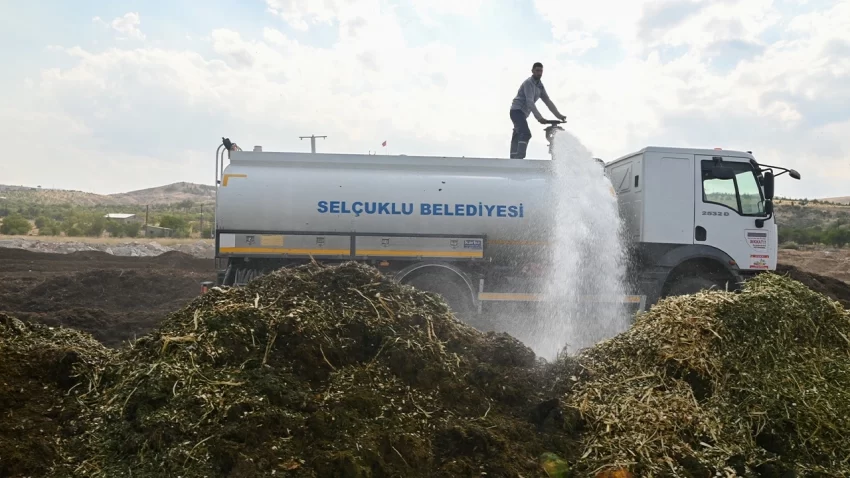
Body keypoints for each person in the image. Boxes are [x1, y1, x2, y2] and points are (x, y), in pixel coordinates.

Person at [509, 62, 566, 159]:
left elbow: (547, 101)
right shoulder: (528, 83)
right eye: (537, 71)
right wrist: (539, 118)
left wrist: (559, 116)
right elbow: (530, 102)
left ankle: (513, 159)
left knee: (518, 134)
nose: (539, 73)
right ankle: (518, 158)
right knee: (525, 133)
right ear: (532, 71)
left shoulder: (540, 86)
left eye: (541, 71)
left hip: (523, 113)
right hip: (516, 111)